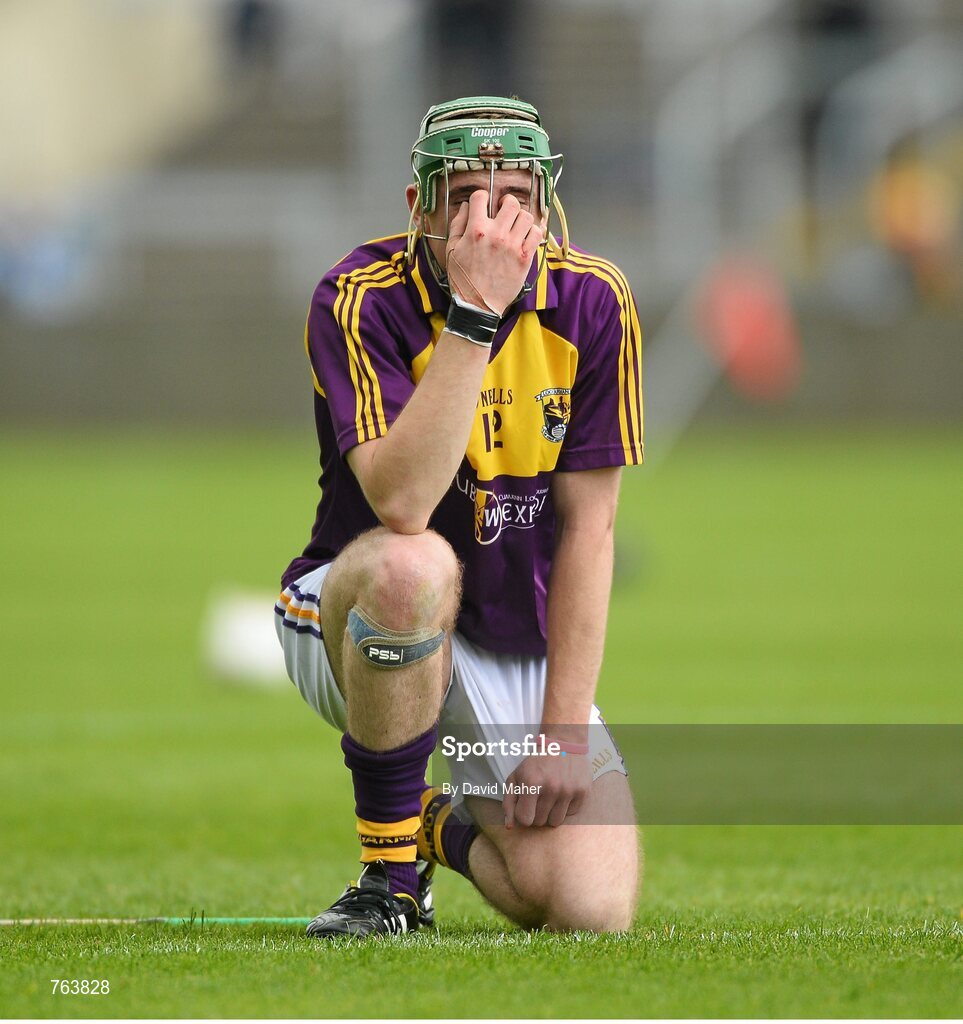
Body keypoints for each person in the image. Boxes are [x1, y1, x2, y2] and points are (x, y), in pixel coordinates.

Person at [275, 96, 643, 937]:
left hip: (506, 630)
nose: (489, 222)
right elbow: (401, 504)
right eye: (464, 198)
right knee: (416, 565)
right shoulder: (358, 296)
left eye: (511, 197)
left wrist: (557, 737)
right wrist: (475, 318)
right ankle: (388, 877)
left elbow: (592, 530)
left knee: (585, 910)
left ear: (542, 208)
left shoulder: (594, 300)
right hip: (353, 608)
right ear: (419, 209)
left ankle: (435, 823)